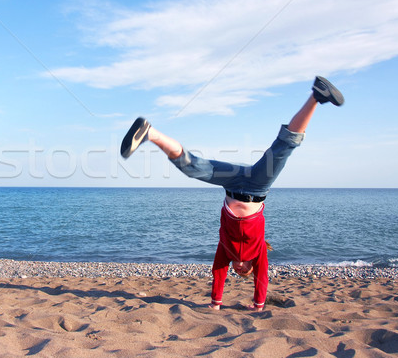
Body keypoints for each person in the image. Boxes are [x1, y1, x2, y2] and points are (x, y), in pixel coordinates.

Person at [120, 76, 344, 312]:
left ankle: (150, 133)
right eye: (243, 270)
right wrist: (259, 306)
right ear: (250, 266)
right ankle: (317, 96)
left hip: (231, 184)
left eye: (236, 271)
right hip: (257, 187)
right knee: (283, 147)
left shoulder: (224, 251)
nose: (238, 269)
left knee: (191, 166)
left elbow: (218, 273)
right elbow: (262, 279)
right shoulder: (258, 252)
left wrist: (216, 304)